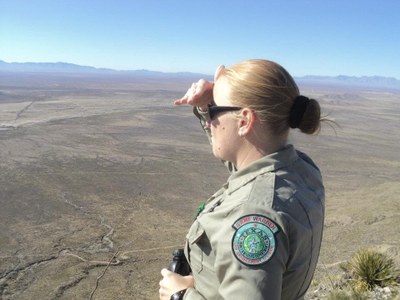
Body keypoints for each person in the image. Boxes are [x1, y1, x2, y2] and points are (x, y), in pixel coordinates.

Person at [159, 59, 325, 300]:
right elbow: (247, 168)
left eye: (215, 112)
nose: (210, 122)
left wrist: (181, 296)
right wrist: (208, 106)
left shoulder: (252, 217)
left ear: (245, 121)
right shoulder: (301, 169)